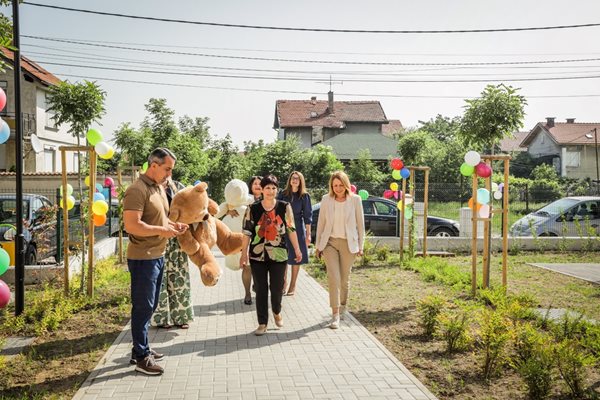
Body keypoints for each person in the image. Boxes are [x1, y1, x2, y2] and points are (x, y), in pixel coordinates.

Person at [123, 148, 188, 376]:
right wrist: (163, 230)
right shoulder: (136, 190)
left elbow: (159, 220)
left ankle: (140, 349)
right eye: (167, 168)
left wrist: (173, 227)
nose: (169, 173)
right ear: (153, 165)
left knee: (149, 306)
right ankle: (142, 358)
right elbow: (131, 225)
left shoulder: (158, 188)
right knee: (143, 306)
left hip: (157, 256)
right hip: (143, 258)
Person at [240, 174, 302, 336]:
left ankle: (276, 310)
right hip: (257, 255)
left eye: (273, 188)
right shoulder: (252, 208)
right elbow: (246, 232)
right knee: (260, 289)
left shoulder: (284, 207)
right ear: (262, 189)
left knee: (276, 288)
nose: (270, 191)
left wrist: (297, 249)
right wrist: (243, 254)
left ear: (277, 189)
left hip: (279, 254)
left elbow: (291, 229)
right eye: (267, 187)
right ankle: (262, 323)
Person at [315, 171, 364, 330]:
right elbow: (321, 224)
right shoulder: (326, 200)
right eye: (335, 185)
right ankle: (335, 315)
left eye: (340, 185)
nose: (338, 188)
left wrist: (361, 246)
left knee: (344, 280)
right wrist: (318, 246)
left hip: (349, 244)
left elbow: (360, 225)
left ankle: (343, 305)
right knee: (333, 278)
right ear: (331, 186)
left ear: (346, 184)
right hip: (330, 243)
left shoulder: (355, 200)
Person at [151, 178, 194, 329]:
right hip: (158, 239)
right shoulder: (150, 188)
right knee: (160, 279)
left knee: (179, 277)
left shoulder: (178, 187)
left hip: (177, 240)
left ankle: (181, 317)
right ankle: (162, 318)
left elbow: (191, 208)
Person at [215, 179, 254, 305]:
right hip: (244, 239)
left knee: (251, 267)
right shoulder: (230, 206)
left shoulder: (252, 202)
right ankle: (248, 292)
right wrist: (227, 209)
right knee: (247, 267)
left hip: (252, 237)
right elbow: (214, 213)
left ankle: (252, 290)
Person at [278, 171, 312, 296]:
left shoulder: (304, 196)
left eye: (297, 178)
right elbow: (276, 209)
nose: (295, 180)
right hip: (283, 227)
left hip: (297, 227)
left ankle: (293, 285)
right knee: (283, 256)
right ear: (290, 180)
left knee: (296, 257)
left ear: (301, 181)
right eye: (293, 178)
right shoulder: (282, 194)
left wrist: (308, 234)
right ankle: (283, 283)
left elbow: (308, 216)